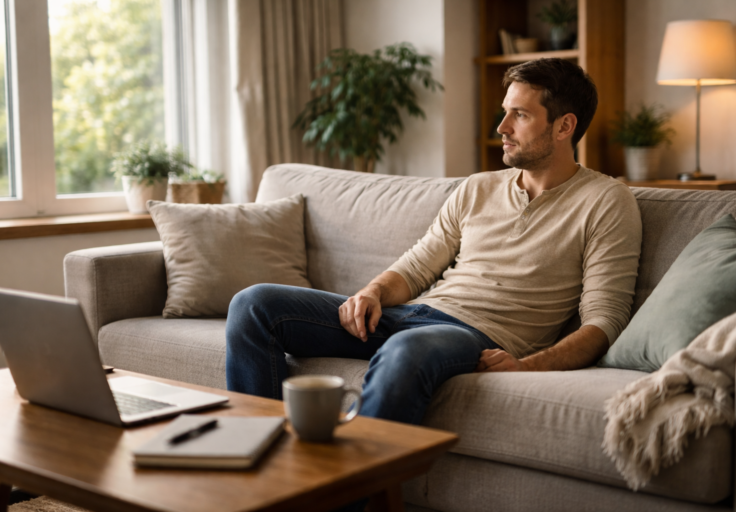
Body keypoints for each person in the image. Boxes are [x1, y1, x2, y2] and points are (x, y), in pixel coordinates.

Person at [225, 58, 642, 427]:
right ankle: (264, 455)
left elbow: (603, 322)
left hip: (473, 336)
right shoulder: (477, 187)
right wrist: (371, 292)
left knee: (410, 346)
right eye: (504, 113)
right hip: (408, 315)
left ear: (564, 126)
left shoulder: (606, 200)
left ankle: (345, 494)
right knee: (254, 305)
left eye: (520, 115)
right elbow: (419, 265)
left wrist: (525, 366)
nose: (502, 128)